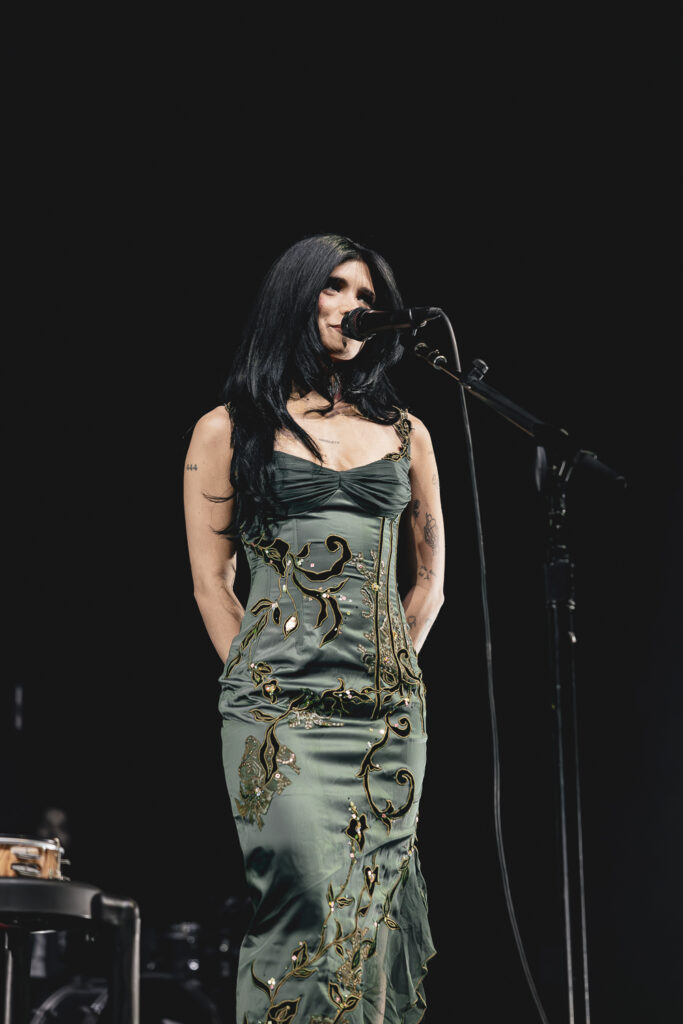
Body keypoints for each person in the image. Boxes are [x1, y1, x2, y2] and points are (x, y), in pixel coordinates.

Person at [184, 234, 445, 1023]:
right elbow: (211, 582)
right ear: (296, 296)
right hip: (278, 710)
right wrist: (261, 679)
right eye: (334, 287)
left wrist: (391, 667)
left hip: (385, 717)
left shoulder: (406, 433)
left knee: (371, 912)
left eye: (366, 294)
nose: (352, 305)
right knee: (300, 897)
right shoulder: (227, 428)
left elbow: (429, 579)